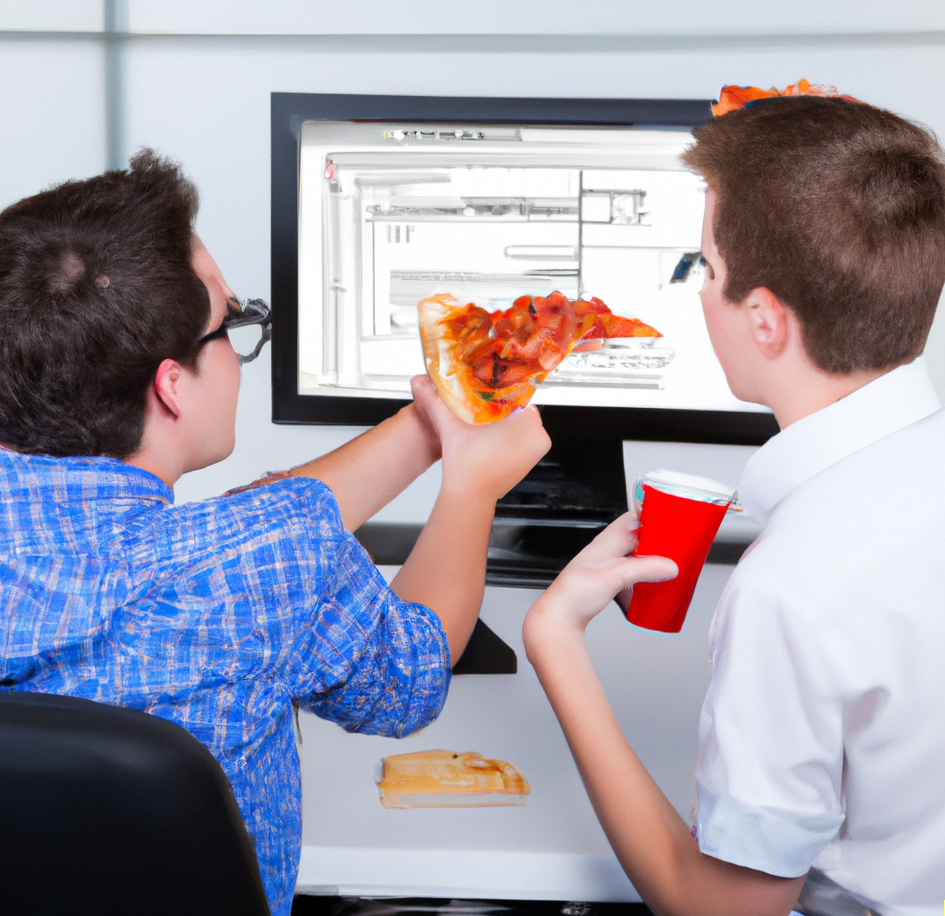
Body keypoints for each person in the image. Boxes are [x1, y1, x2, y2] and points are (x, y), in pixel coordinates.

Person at [0, 150, 551, 916]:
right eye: (231, 323)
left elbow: (241, 541)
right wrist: (474, 484)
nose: (239, 341)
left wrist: (429, 425)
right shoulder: (267, 560)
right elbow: (412, 675)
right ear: (170, 384)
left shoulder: (248, 551)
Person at [523, 93, 945, 915]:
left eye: (706, 270)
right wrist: (873, 189)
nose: (698, 291)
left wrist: (556, 645)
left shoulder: (793, 590)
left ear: (763, 320)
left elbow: (722, 908)